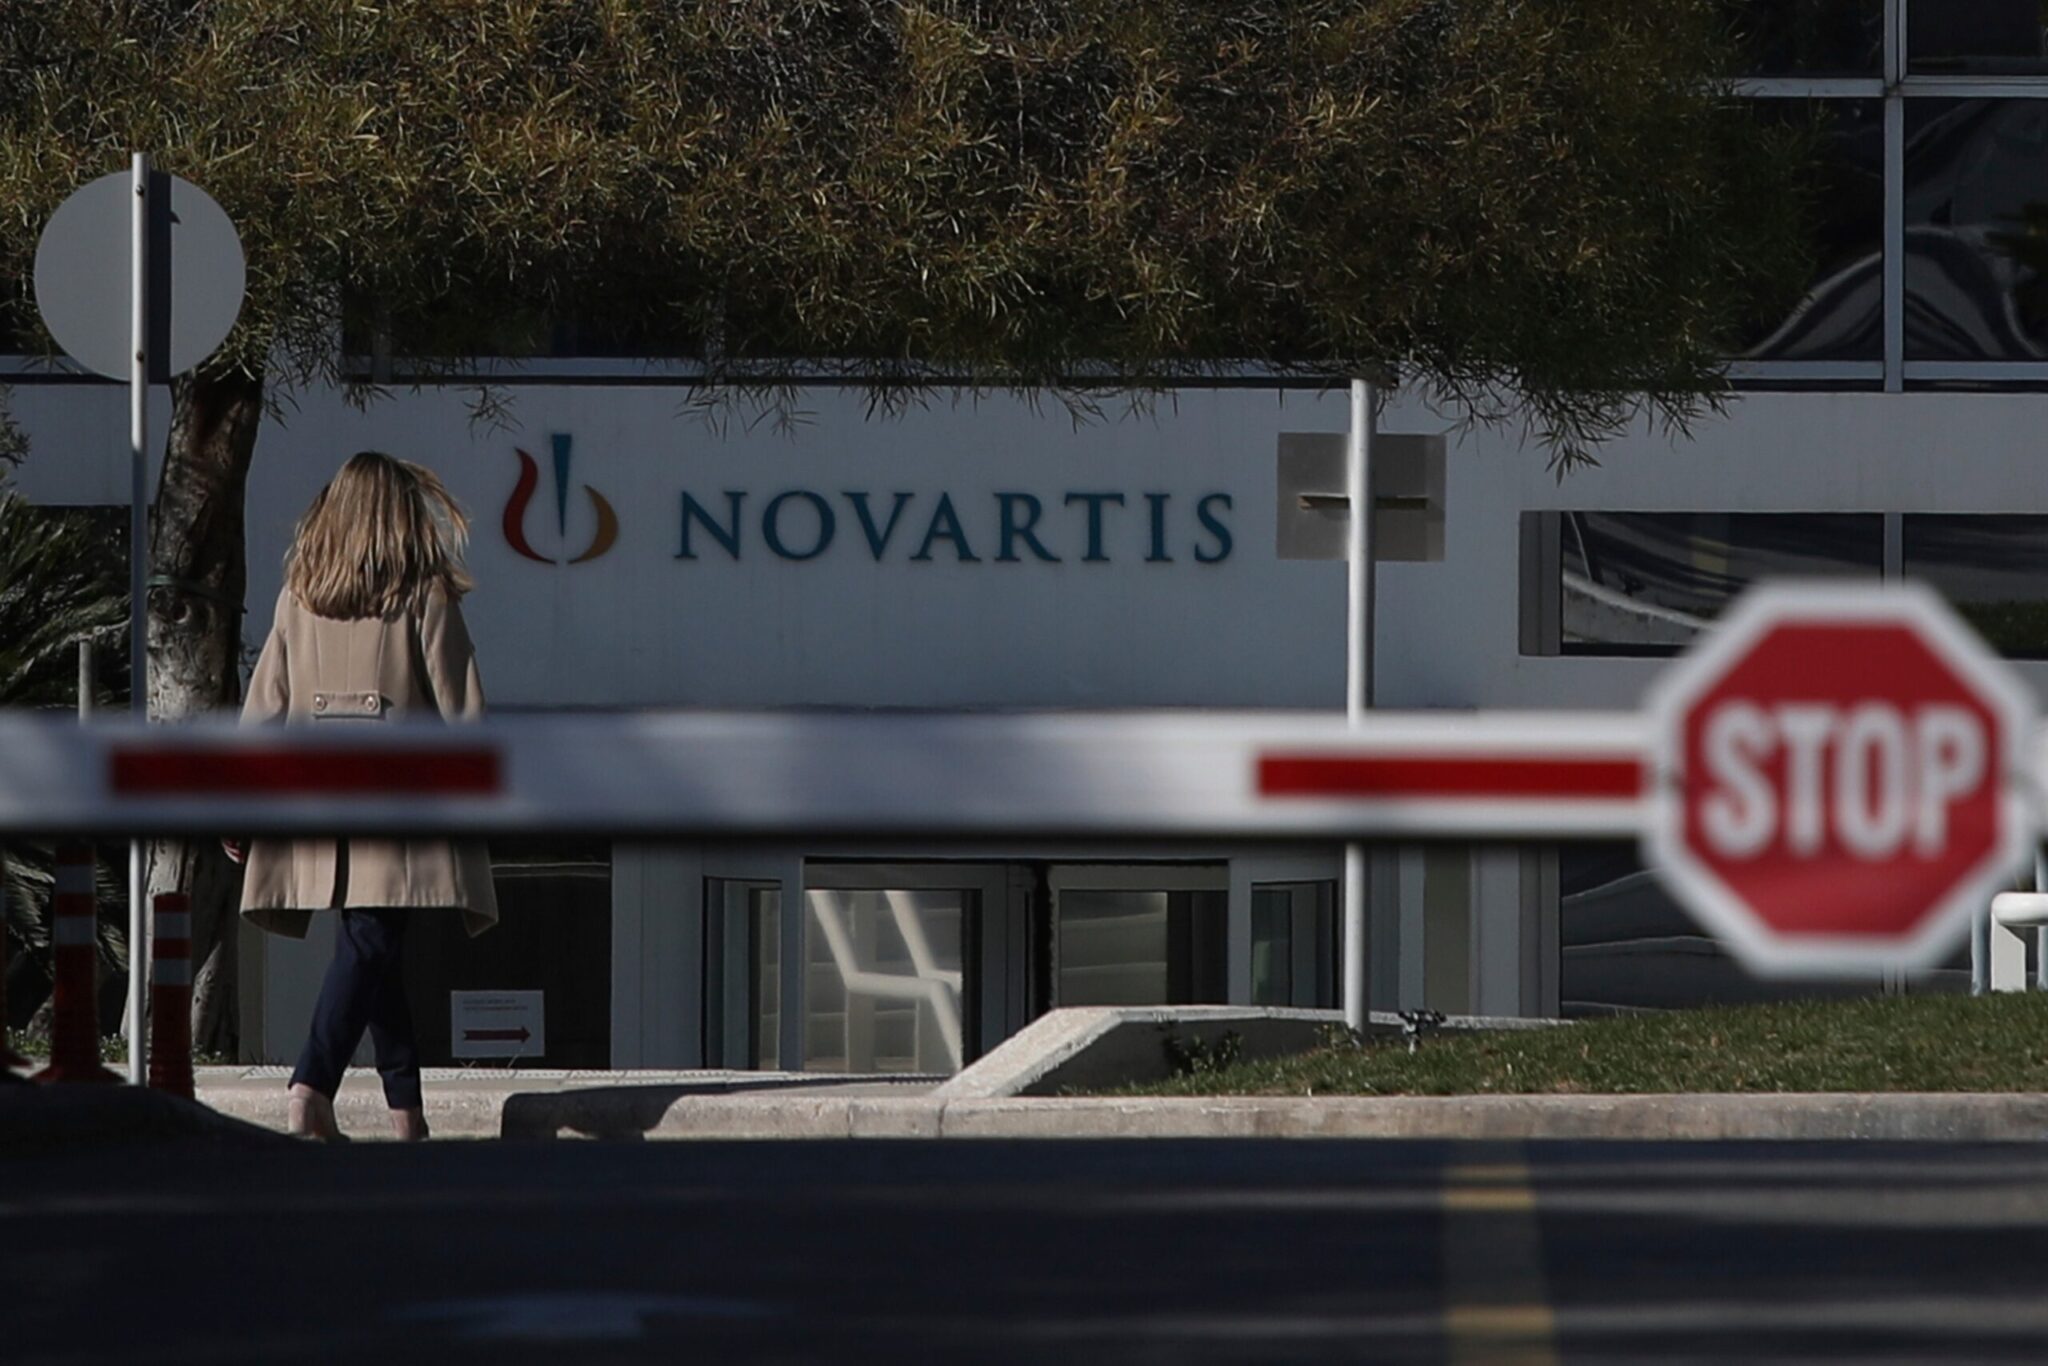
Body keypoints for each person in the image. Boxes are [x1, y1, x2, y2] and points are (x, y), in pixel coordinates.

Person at [227, 451, 499, 1142]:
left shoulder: (298, 595)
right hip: (396, 797)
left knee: (372, 945)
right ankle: (311, 1086)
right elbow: (463, 708)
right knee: (372, 940)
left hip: (313, 794)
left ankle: (407, 1112)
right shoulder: (424, 594)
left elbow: (265, 708)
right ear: (398, 515)